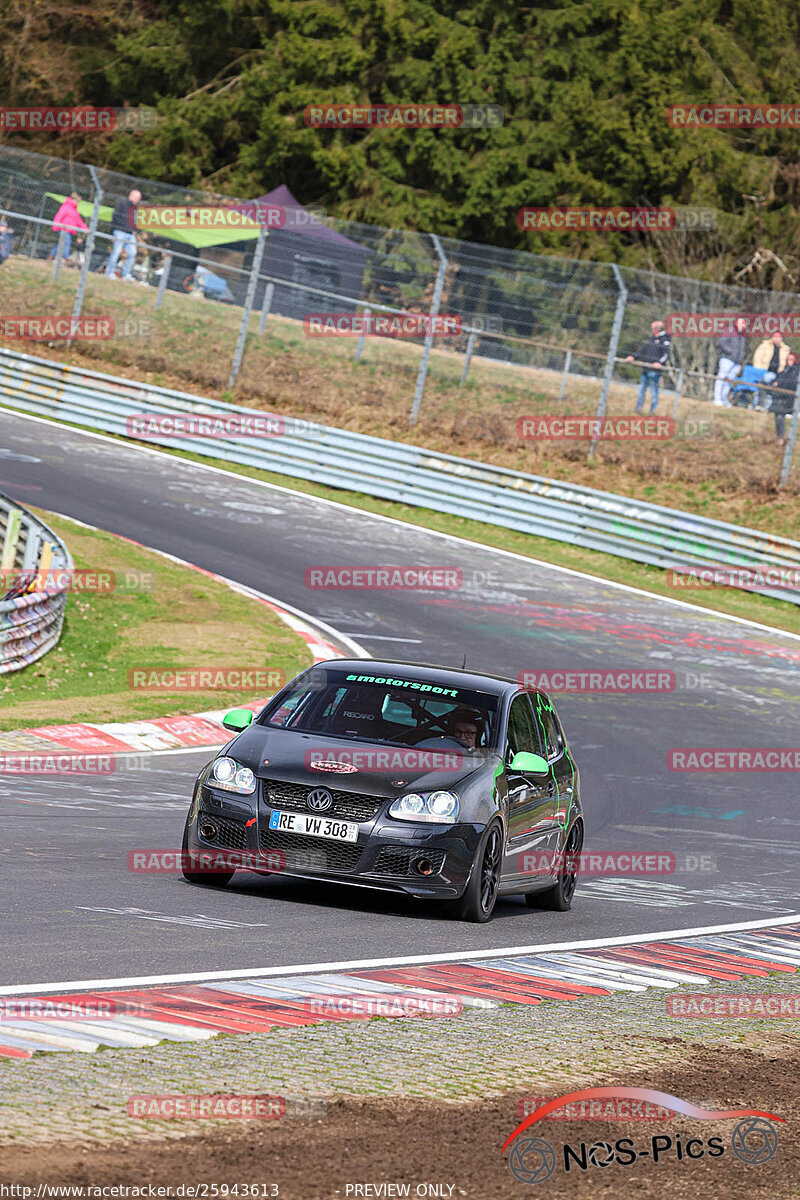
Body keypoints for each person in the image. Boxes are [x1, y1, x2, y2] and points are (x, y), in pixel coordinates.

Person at [624, 320, 671, 414]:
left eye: (652, 328)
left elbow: (666, 354)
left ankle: (652, 412)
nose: (651, 330)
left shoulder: (664, 340)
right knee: (641, 390)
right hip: (646, 369)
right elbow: (643, 350)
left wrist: (659, 363)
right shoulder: (652, 339)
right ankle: (638, 409)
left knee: (654, 392)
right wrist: (633, 356)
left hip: (654, 372)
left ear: (657, 329)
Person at [105, 189, 142, 280]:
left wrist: (134, 229)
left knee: (132, 253)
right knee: (116, 252)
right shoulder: (122, 203)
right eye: (136, 197)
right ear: (131, 195)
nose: (137, 199)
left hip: (130, 234)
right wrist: (116, 228)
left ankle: (126, 274)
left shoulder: (135, 208)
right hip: (120, 231)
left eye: (138, 198)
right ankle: (110, 272)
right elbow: (115, 216)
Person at [713, 316, 747, 406]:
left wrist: (741, 358)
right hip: (727, 359)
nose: (742, 325)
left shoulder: (742, 335)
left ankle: (724, 398)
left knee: (729, 382)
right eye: (741, 323)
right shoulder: (729, 330)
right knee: (721, 378)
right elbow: (722, 342)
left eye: (744, 324)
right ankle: (717, 398)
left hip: (737, 362)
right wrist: (730, 352)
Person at [49, 192, 88, 266]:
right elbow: (59, 216)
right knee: (66, 243)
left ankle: (51, 256)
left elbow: (79, 221)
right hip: (63, 229)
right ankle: (65, 258)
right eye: (77, 201)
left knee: (61, 244)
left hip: (69, 231)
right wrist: (55, 225)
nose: (78, 203)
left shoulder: (75, 211)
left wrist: (85, 228)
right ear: (73, 200)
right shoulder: (66, 207)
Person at [768, 351, 800, 444]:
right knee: (778, 415)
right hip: (780, 398)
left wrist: (779, 384)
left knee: (779, 414)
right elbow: (778, 379)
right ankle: (780, 437)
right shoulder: (785, 370)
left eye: (791, 359)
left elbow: (792, 383)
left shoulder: (796, 370)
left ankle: (782, 438)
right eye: (788, 359)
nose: (789, 361)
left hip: (789, 399)